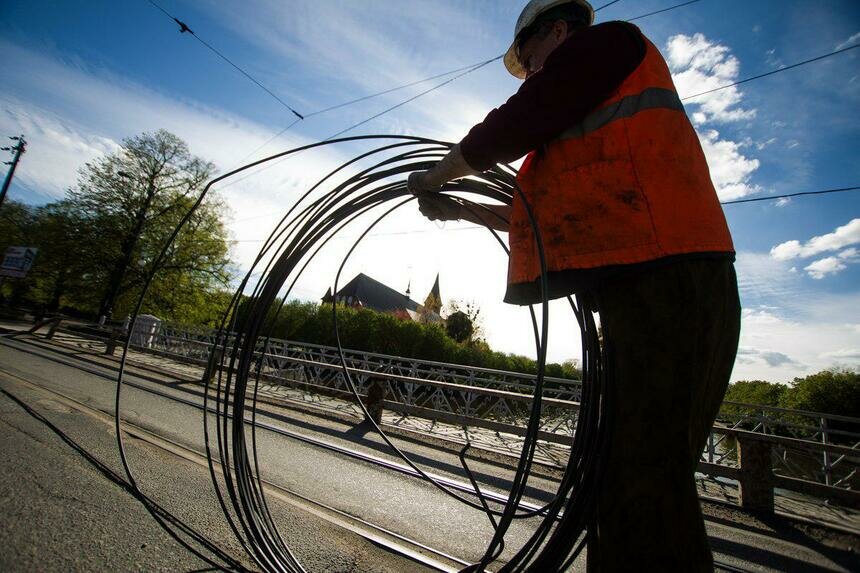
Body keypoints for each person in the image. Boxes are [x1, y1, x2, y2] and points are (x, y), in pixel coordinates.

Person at [407, 1, 741, 571]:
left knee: (641, 478)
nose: (535, 73)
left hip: (672, 278)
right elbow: (539, 208)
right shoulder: (582, 104)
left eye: (533, 58)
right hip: (649, 283)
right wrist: (460, 209)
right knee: (625, 477)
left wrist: (441, 171)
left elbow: (521, 117)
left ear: (558, 30)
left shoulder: (606, 44)